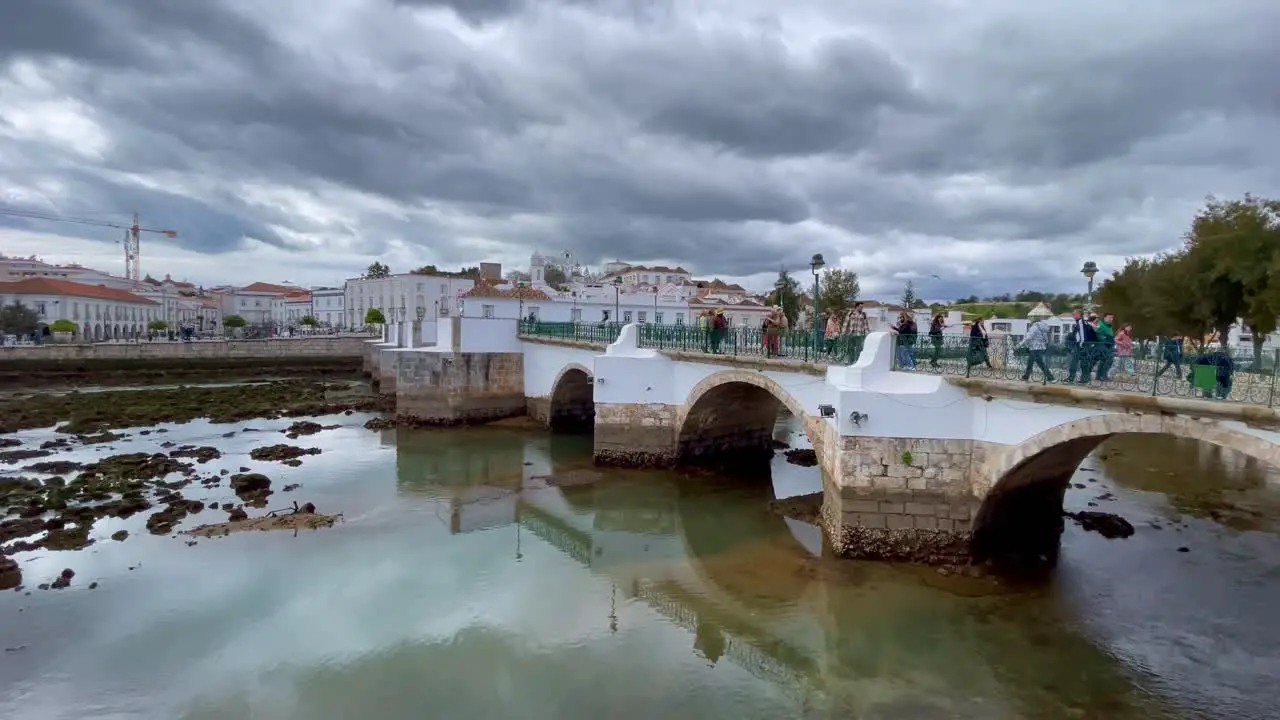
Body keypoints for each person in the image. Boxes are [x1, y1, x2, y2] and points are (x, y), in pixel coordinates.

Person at [1018, 316, 1054, 382]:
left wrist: (1019, 344)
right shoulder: (1042, 327)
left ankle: (1026, 377)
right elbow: (1046, 339)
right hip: (1041, 347)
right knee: (1039, 363)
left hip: (1034, 348)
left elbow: (1028, 338)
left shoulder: (1034, 327)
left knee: (1031, 363)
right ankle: (1050, 377)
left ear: (1033, 321)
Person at [1065, 310, 1097, 383]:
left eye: (1075, 314)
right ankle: (1085, 379)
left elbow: (1082, 335)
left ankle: (1072, 378)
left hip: (1081, 345)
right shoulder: (1082, 322)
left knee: (1075, 362)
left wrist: (1081, 345)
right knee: (1083, 362)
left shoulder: (1080, 322)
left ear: (1079, 315)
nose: (1073, 315)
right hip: (1083, 345)